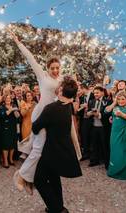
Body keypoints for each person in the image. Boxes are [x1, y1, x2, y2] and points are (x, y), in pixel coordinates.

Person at [10, 31, 63, 191]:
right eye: (52, 68)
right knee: (38, 148)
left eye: (57, 68)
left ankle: (31, 179)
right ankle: (21, 176)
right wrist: (19, 43)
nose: (55, 70)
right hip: (41, 115)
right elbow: (30, 58)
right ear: (47, 68)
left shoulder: (61, 79)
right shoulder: (42, 76)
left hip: (54, 117)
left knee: (43, 149)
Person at [33, 76, 82, 213]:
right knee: (54, 178)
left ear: (60, 90)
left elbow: (35, 127)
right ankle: (58, 206)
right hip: (62, 150)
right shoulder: (68, 106)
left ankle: (56, 208)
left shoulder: (51, 108)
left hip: (51, 152)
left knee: (39, 179)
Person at [106, 91, 126, 180]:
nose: (121, 101)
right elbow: (106, 110)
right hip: (114, 132)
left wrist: (122, 115)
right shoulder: (116, 106)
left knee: (123, 152)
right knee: (114, 151)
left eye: (122, 99)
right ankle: (113, 171)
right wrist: (114, 103)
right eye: (118, 99)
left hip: (125, 132)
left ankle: (123, 174)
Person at [0, 94, 20, 168]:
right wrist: (10, 109)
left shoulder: (14, 106)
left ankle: (11, 159)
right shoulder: (1, 107)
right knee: (6, 144)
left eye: (9, 98)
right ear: (4, 99)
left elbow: (17, 116)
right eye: (6, 98)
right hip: (5, 128)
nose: (8, 99)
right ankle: (5, 161)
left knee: (13, 143)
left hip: (13, 127)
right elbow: (3, 115)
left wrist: (15, 111)